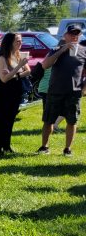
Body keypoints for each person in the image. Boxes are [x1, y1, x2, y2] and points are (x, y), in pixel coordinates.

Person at [38, 23, 85, 156]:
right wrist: (62, 50)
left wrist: (84, 89)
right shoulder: (56, 49)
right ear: (65, 35)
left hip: (74, 92)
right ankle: (44, 147)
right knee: (48, 121)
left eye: (77, 34)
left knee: (72, 121)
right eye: (71, 33)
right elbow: (45, 65)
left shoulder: (84, 51)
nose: (74, 36)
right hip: (55, 91)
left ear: (80, 35)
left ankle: (67, 149)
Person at [0, 33, 31, 155]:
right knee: (1, 121)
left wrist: (15, 74)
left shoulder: (18, 55)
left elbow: (28, 71)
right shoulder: (2, 58)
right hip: (4, 94)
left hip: (15, 92)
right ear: (9, 43)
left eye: (21, 40)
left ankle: (6, 146)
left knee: (10, 120)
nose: (20, 43)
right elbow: (4, 79)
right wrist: (19, 67)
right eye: (17, 41)